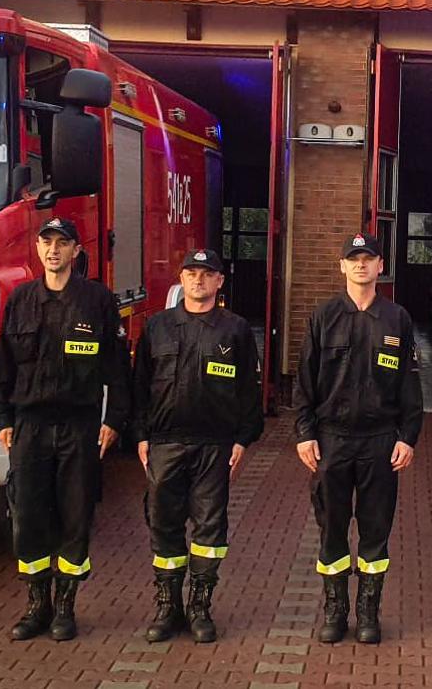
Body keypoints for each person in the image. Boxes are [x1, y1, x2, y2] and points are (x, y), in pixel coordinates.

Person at [0, 216, 131, 641]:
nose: (54, 250)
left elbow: (118, 368)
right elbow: (5, 367)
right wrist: (3, 418)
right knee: (29, 517)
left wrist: (113, 420)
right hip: (30, 425)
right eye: (47, 242)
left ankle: (66, 607)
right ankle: (37, 606)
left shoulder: (97, 301)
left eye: (62, 243)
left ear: (75, 251)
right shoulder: (20, 300)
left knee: (75, 514)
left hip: (79, 425)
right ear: (38, 249)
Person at [293, 233, 425, 645]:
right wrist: (304, 434)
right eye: (353, 260)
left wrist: (408, 437)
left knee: (375, 530)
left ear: (380, 265)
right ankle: (335, 611)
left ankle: (368, 612)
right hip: (332, 440)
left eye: (368, 259)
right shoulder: (324, 315)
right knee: (331, 527)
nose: (361, 266)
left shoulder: (397, 319)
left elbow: (410, 384)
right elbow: (305, 382)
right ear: (342, 267)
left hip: (380, 441)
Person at [131, 249, 263, 644]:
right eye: (191, 273)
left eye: (207, 274)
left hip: (215, 445)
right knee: (164, 526)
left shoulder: (235, 330)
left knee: (209, 528)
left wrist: (243, 438)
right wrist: (139, 436)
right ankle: (168, 607)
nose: (199, 281)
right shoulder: (157, 327)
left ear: (219, 281)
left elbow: (248, 392)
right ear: (182, 278)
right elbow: (139, 387)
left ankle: (200, 607)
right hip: (165, 444)